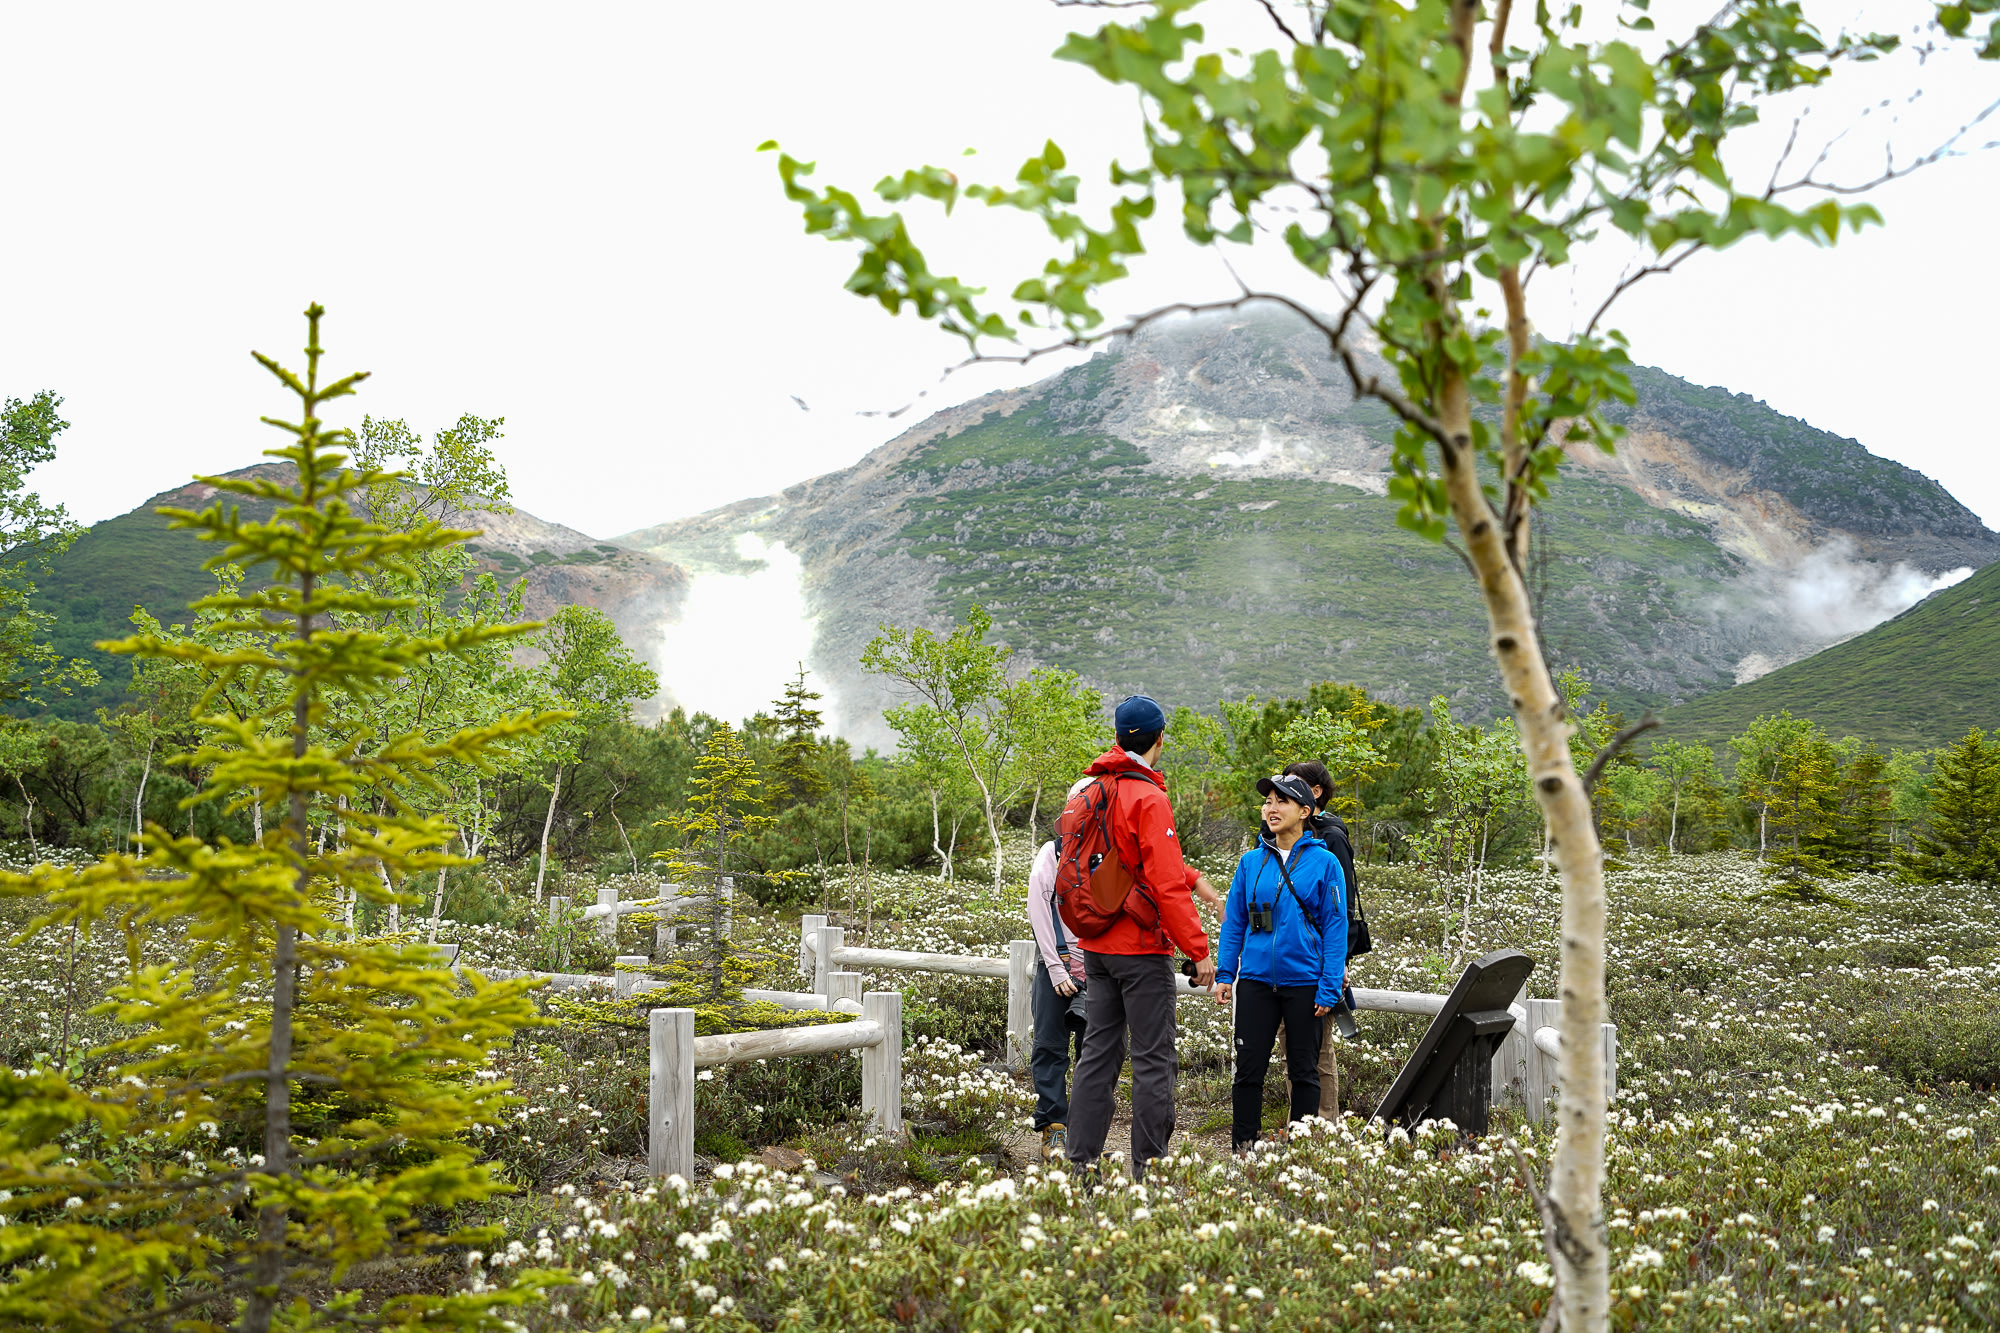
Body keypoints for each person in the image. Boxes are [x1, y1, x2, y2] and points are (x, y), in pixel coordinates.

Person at [1065, 694, 1218, 1182]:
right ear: (1158, 739)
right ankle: (1149, 1173)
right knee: (1153, 1060)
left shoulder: (1092, 789)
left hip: (1096, 945)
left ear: (1117, 737)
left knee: (1097, 1055)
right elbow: (1165, 883)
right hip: (1140, 950)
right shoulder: (1148, 796)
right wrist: (1198, 951)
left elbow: (1117, 860)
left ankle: (1080, 1166)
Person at [1213, 772, 1348, 1152]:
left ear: (1305, 811)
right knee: (1248, 1071)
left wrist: (1328, 984)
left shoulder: (1325, 863)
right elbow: (1235, 920)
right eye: (1267, 801)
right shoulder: (1251, 862)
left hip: (1305, 983)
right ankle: (1243, 1149)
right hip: (1255, 981)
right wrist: (1226, 973)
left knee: (1304, 1072)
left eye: (1281, 801)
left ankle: (1300, 1152)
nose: (1271, 809)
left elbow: (1336, 928)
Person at [1278, 758, 1359, 1118]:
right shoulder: (1275, 836)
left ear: (1314, 793)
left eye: (1291, 787)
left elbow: (1342, 910)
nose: (1279, 797)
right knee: (1292, 1049)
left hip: (1316, 964)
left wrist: (1336, 964)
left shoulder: (1331, 838)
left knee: (1318, 1050)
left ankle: (1323, 1125)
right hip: (1280, 965)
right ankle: (1301, 1122)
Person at [1025, 806, 1090, 1161]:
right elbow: (1038, 907)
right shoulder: (1051, 854)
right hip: (1056, 966)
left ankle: (1083, 1129)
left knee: (1093, 1053)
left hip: (1098, 968)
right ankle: (1054, 1128)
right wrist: (1056, 967)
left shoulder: (1108, 853)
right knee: (1050, 1047)